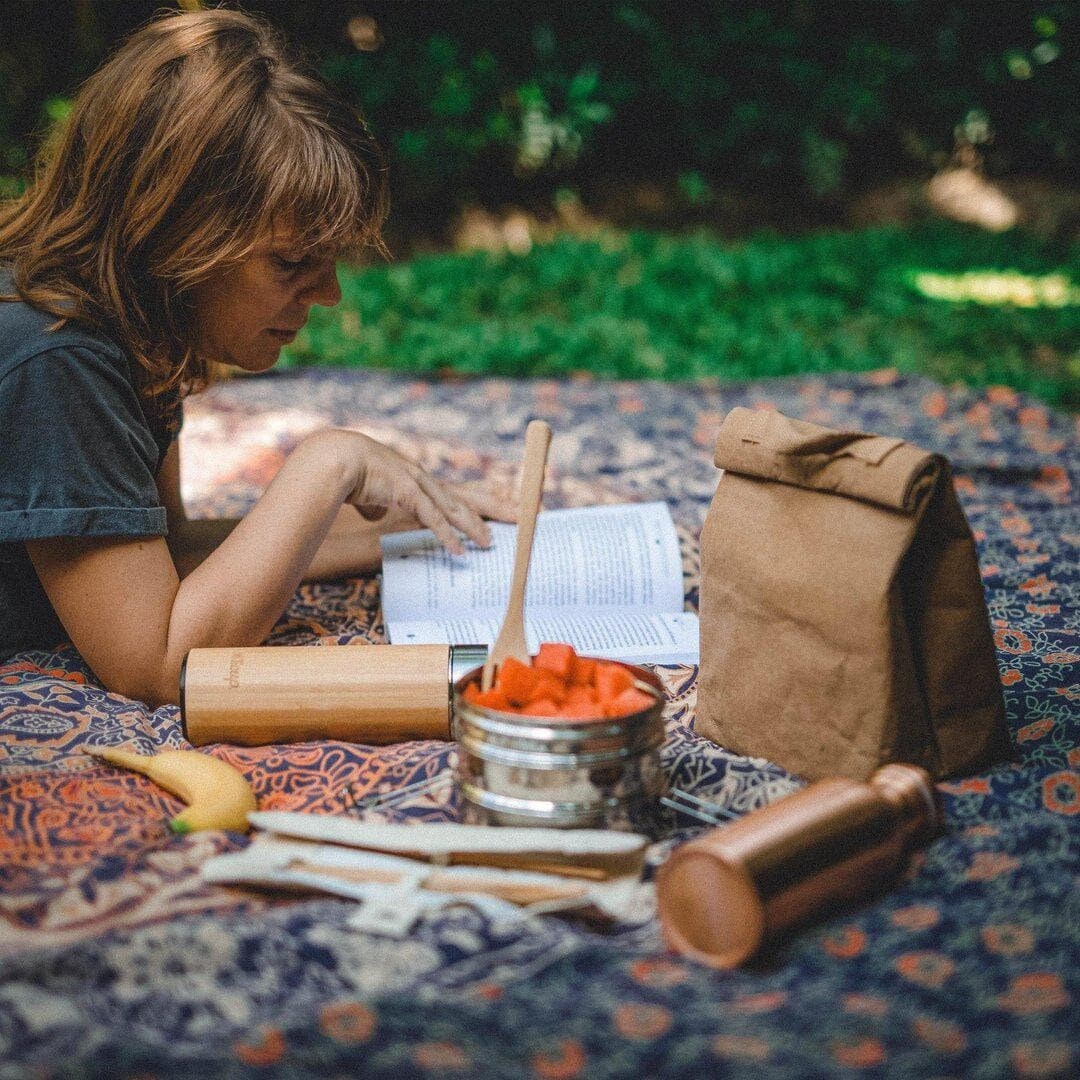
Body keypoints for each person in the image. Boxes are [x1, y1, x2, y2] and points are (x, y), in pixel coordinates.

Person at [0, 8, 510, 706]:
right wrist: (329, 462)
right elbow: (161, 664)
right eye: (293, 261)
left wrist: (412, 526)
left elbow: (167, 550)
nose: (328, 294)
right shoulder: (58, 357)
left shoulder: (133, 318)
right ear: (173, 234)